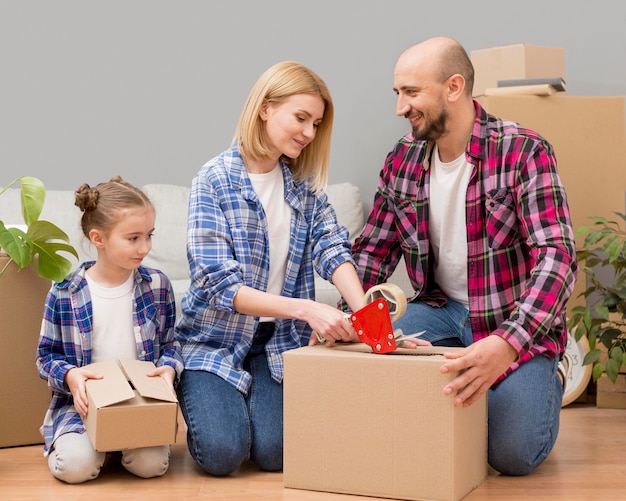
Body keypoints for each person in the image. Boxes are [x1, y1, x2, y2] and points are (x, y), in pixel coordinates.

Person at [350, 37, 578, 476]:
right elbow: (372, 251)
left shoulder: (524, 151)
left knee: (511, 455)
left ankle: (547, 370)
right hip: (441, 312)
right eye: (397, 93)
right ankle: (468, 372)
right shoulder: (402, 160)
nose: (400, 107)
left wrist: (507, 343)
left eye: (411, 93)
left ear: (454, 87)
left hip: (511, 322)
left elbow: (558, 257)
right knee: (366, 365)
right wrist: (352, 316)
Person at [174, 61, 365, 477]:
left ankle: (246, 400)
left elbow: (331, 246)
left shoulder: (303, 185)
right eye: (301, 118)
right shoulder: (213, 180)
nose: (309, 133)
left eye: (315, 123)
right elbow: (218, 284)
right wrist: (306, 309)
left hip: (279, 343)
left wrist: (367, 312)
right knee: (223, 455)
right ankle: (212, 395)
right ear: (265, 108)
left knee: (277, 455)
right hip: (213, 342)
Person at [35, 176, 184, 484]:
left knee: (150, 466)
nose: (145, 247)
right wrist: (70, 376)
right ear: (98, 238)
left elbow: (172, 343)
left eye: (149, 236)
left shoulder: (156, 285)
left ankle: (116, 446)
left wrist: (169, 370)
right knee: (77, 468)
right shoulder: (64, 292)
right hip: (83, 406)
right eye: (133, 238)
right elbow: (45, 356)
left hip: (140, 401)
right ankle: (81, 443)